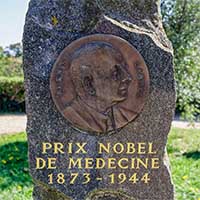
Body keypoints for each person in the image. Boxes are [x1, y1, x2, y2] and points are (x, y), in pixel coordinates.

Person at [63, 42, 132, 133]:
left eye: (125, 68)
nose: (128, 77)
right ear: (89, 85)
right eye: (115, 73)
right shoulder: (72, 116)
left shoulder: (123, 116)